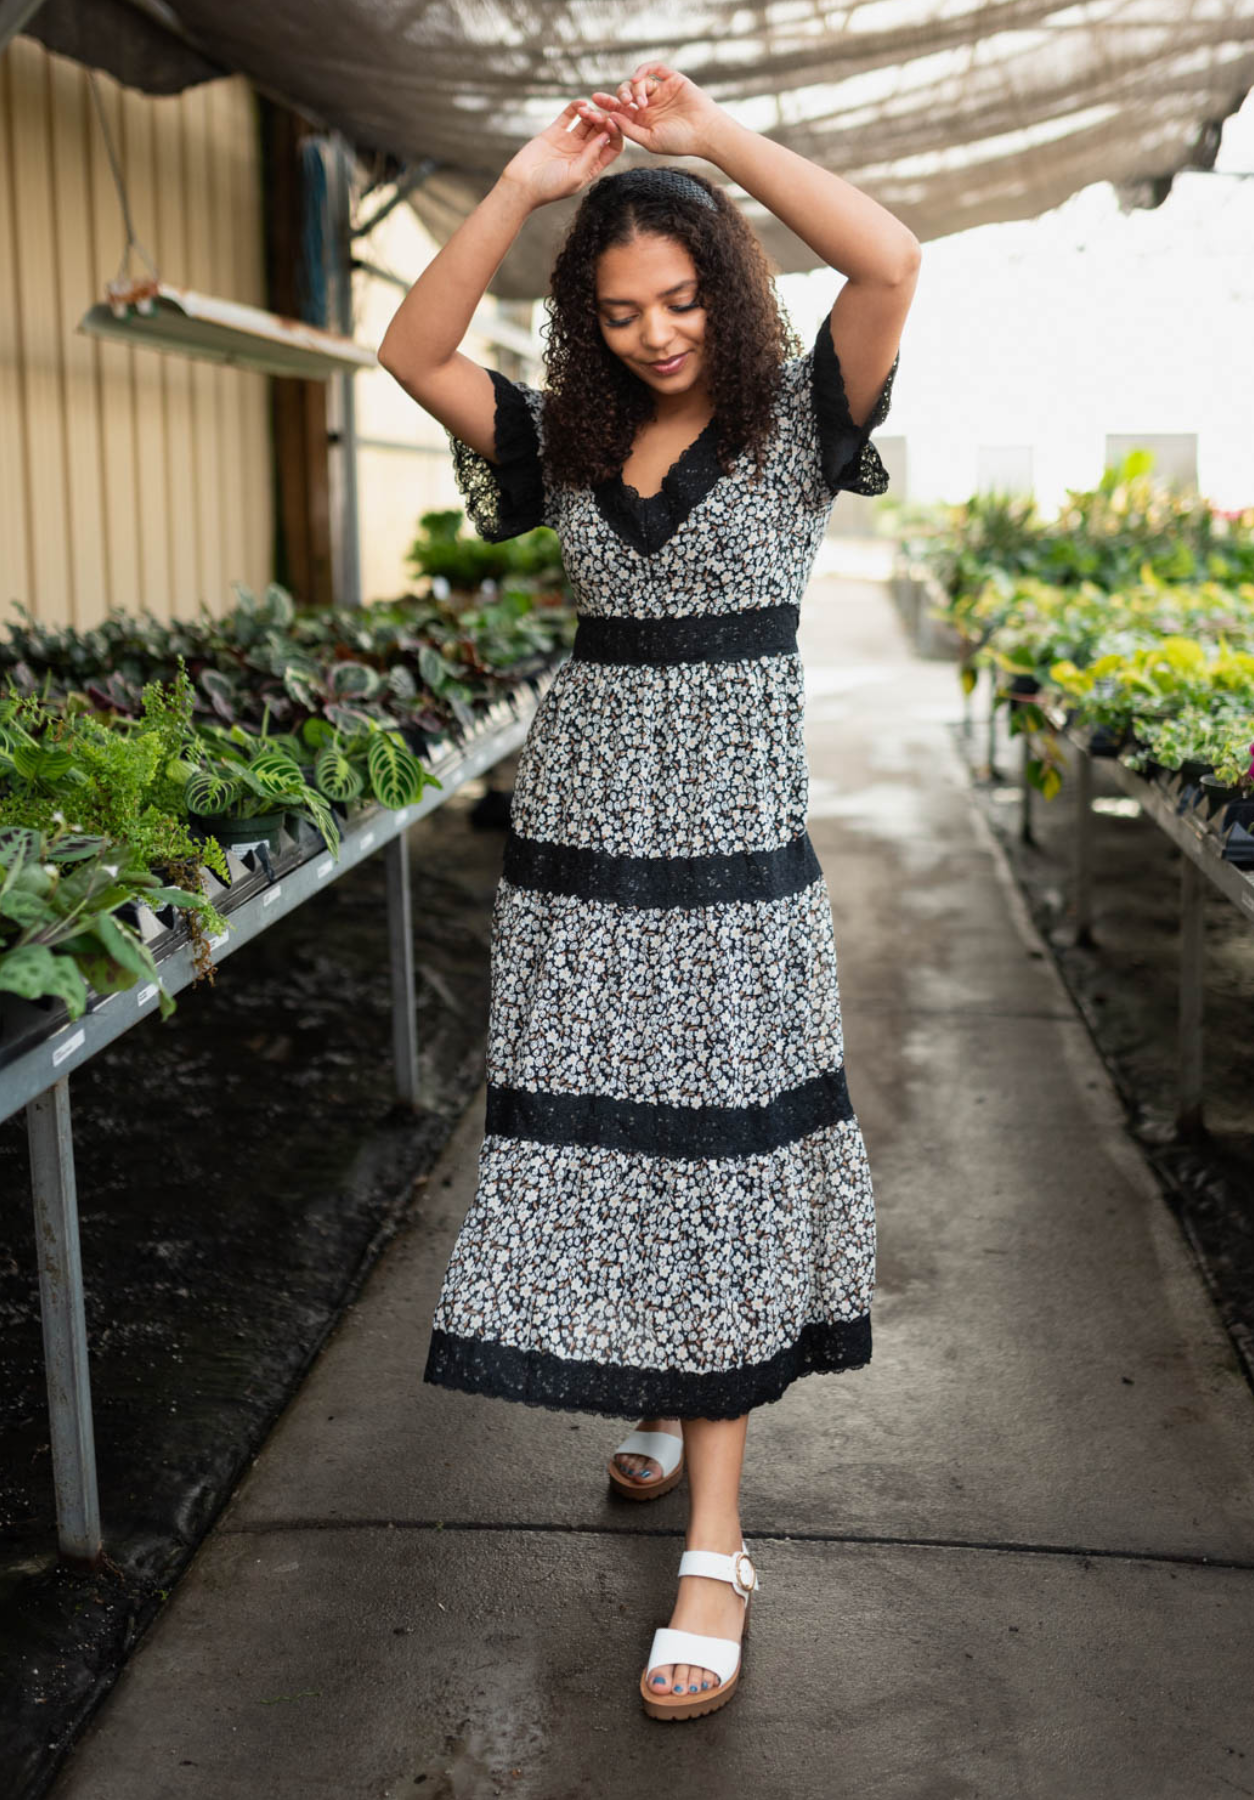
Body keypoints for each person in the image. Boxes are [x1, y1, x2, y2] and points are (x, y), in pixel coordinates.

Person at [378, 61, 920, 1721]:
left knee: (727, 1159)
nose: (657, 334)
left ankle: (715, 1541)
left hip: (737, 886)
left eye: (682, 299)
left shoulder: (796, 422)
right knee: (612, 1142)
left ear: (727, 293)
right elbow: (407, 352)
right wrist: (525, 185)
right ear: (585, 321)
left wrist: (705, 144)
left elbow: (891, 256)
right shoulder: (558, 444)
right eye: (619, 312)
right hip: (583, 872)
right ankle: (656, 1389)